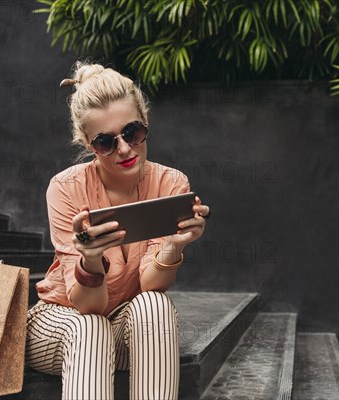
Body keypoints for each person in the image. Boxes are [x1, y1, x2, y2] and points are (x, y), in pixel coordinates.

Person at [25, 60, 210, 400]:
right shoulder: (65, 188)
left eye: (133, 132)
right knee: (89, 327)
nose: (125, 148)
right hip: (61, 324)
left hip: (124, 327)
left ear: (146, 122)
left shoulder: (171, 182)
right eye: (106, 142)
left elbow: (151, 284)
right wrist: (90, 261)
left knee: (154, 305)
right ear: (87, 142)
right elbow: (89, 305)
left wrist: (173, 246)